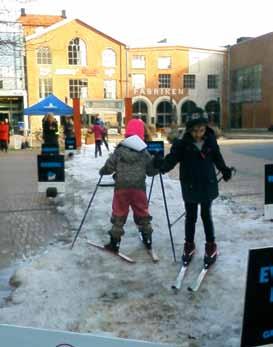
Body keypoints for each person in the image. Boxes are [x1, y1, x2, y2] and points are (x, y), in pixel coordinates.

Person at [154, 117, 233, 266]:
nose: (198, 134)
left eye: (201, 130)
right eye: (195, 131)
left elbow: (217, 158)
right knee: (191, 216)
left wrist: (224, 170)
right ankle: (189, 245)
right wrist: (162, 166)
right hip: (189, 185)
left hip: (206, 184)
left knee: (205, 215)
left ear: (205, 129)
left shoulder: (210, 141)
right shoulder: (182, 144)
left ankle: (211, 246)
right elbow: (172, 160)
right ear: (190, 130)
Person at [99, 133, 158, 253]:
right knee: (142, 212)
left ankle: (114, 242)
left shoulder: (119, 152)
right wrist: (157, 165)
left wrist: (102, 171)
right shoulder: (144, 153)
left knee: (119, 213)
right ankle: (147, 239)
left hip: (122, 187)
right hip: (139, 188)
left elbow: (109, 168)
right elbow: (151, 171)